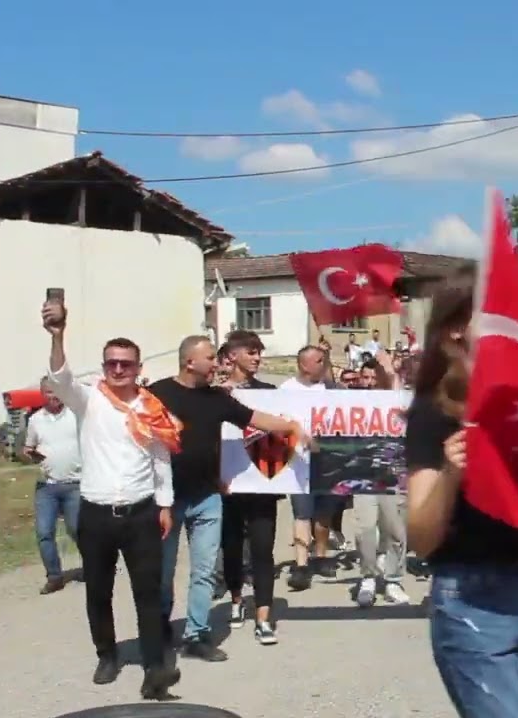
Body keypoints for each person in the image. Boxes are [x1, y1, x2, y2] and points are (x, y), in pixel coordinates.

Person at [403, 271, 518, 716]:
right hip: (471, 603)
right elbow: (422, 539)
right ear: (456, 328)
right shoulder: (432, 413)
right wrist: (451, 473)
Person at [39, 298, 182, 699]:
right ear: (104, 366)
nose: (118, 369)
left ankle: (155, 665)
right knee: (98, 590)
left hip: (141, 513)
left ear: (138, 368)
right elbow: (60, 376)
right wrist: (58, 334)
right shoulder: (89, 400)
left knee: (148, 592)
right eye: (111, 363)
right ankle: (107, 654)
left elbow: (161, 459)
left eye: (126, 363)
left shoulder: (152, 408)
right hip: (97, 513)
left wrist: (165, 504)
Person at [150, 336, 312, 660]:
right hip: (168, 498)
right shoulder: (158, 393)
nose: (217, 363)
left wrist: (291, 426)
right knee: (163, 570)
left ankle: (197, 634)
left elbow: (255, 419)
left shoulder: (217, 398)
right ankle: (159, 629)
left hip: (208, 497)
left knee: (205, 570)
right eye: (210, 358)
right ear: (189, 362)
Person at [213, 330, 283, 645]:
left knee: (262, 551)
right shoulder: (215, 394)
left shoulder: (270, 393)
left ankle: (264, 617)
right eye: (251, 352)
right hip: (226, 487)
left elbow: (281, 435)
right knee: (230, 548)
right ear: (232, 356)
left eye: (259, 352)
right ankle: (238, 600)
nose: (256, 358)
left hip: (261, 486)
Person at [281, 345, 344, 590]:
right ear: (304, 365)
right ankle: (301, 564)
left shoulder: (331, 389)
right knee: (302, 513)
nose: (323, 363)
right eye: (319, 360)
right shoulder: (286, 389)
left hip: (327, 461)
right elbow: (279, 420)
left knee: (324, 514)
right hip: (299, 462)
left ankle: (321, 556)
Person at [352, 349, 411, 608]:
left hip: (393, 475)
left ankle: (393, 580)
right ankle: (367, 576)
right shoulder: (349, 404)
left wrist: (390, 369)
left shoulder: (397, 401)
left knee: (395, 530)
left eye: (374, 377)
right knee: (365, 528)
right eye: (365, 377)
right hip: (363, 475)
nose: (369, 382)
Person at [23, 375, 83, 595]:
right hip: (46, 486)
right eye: (49, 391)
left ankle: (93, 568)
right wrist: (29, 454)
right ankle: (54, 577)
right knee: (44, 532)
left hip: (74, 484)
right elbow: (28, 447)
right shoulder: (35, 420)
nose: (54, 395)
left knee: (77, 529)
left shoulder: (76, 415)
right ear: (42, 394)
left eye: (57, 391)